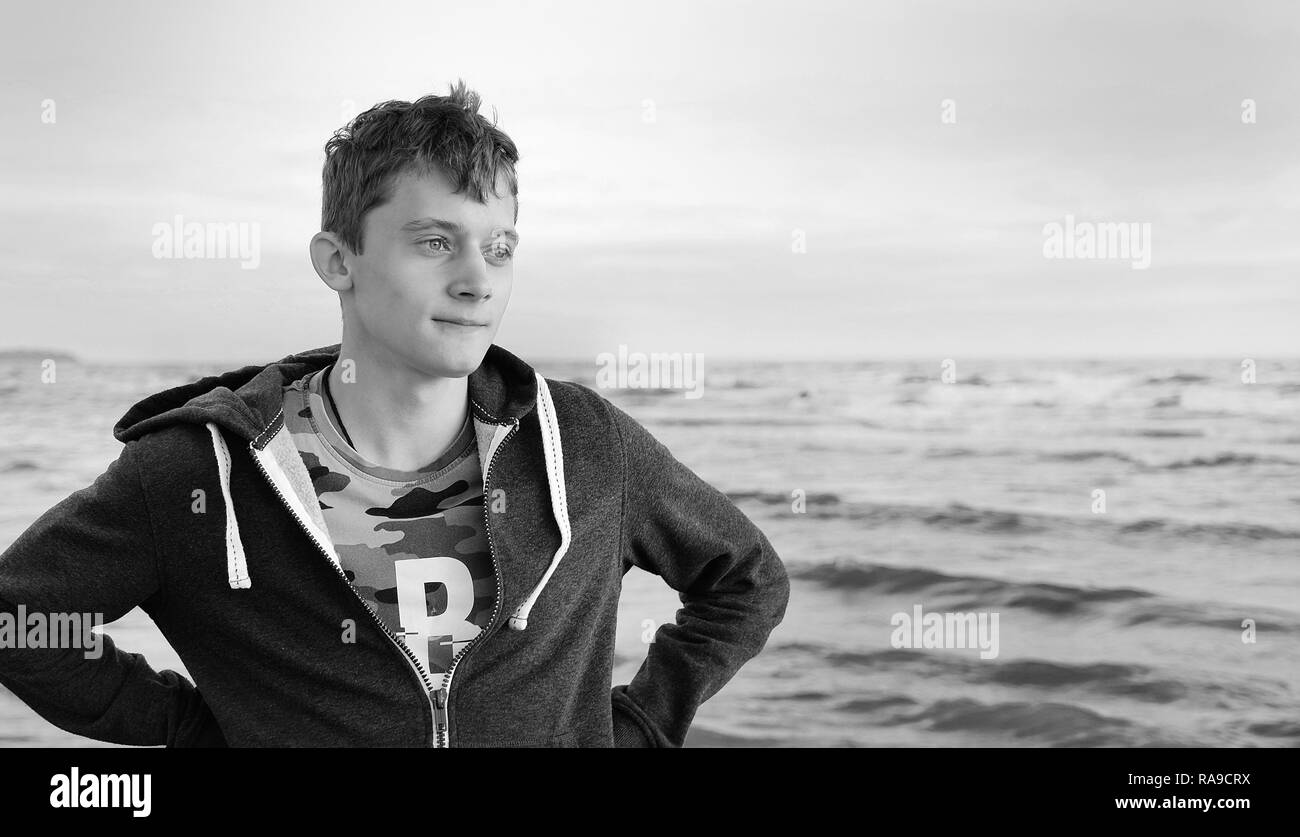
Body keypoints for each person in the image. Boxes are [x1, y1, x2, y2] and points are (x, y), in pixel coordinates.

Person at [0, 80, 790, 747]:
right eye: (436, 243)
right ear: (338, 260)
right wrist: (201, 729)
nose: (479, 281)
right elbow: (19, 621)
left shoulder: (582, 443)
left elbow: (745, 580)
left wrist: (638, 726)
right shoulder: (200, 469)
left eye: (501, 247)